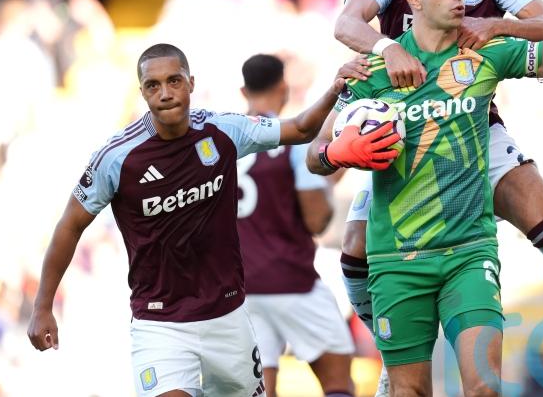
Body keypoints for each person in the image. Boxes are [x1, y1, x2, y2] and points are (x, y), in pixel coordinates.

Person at [309, 0, 543, 396]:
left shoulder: (484, 54)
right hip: (398, 257)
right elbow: (314, 157)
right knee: (409, 392)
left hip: (469, 254)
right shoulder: (372, 72)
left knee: (486, 387)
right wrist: (338, 152)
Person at [26, 43, 349, 397]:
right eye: (153, 85)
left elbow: (301, 129)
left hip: (227, 315)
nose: (165, 93)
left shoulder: (222, 131)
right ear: (142, 92)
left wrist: (335, 89)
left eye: (174, 81)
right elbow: (70, 225)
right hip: (160, 322)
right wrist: (42, 306)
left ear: (191, 83)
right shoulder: (116, 158)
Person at [236, 54, 355, 397]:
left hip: (240, 289)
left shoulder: (224, 141)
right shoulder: (291, 138)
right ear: (283, 88)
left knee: (259, 389)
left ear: (243, 90)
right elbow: (315, 219)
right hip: (291, 280)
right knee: (338, 381)